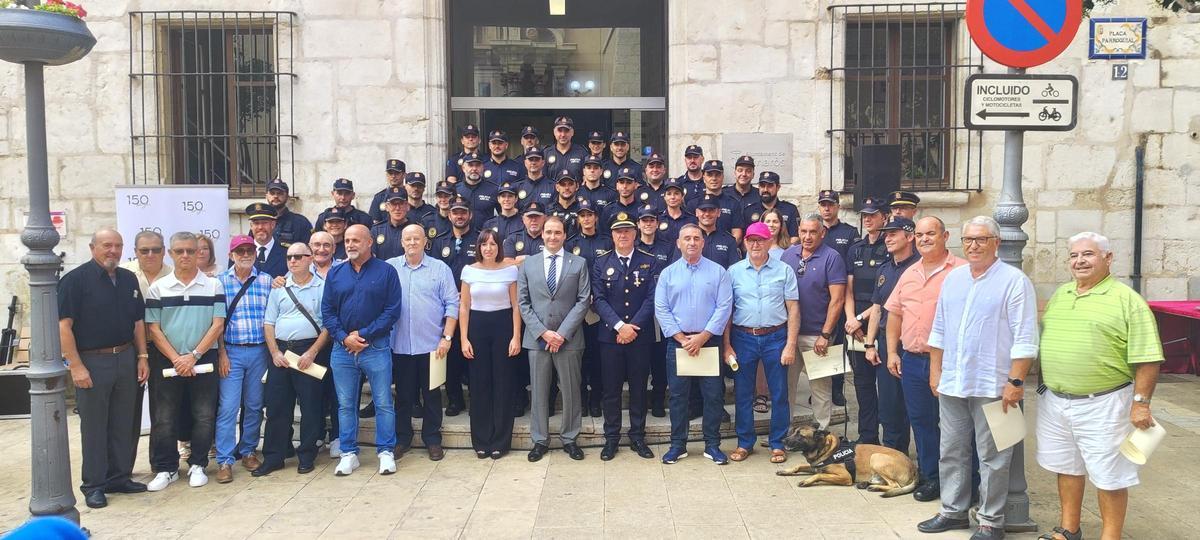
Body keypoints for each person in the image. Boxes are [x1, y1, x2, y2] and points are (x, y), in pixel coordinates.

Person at [1036, 232, 1164, 540]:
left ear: (1107, 258)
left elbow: (1148, 358)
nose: (1079, 261)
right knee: (1066, 466)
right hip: (1055, 400)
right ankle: (1068, 529)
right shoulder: (1063, 294)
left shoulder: (1127, 300)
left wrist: (1141, 403)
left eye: (1088, 254)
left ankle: (1111, 536)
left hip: (1105, 403)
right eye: (1074, 255)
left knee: (1110, 475)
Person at [917, 216, 1038, 540]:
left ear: (996, 243)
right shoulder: (954, 279)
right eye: (969, 239)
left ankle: (990, 522)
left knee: (996, 456)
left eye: (981, 239)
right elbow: (939, 329)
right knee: (952, 449)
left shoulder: (1014, 281)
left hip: (996, 384)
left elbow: (1026, 337)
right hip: (954, 381)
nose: (973, 245)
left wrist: (1015, 383)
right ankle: (953, 511)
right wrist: (935, 370)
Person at [59, 229, 150, 509]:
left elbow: (137, 322)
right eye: (107, 245)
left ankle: (119, 477)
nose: (113, 250)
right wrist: (76, 367)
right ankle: (94, 485)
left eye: (118, 246)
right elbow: (64, 326)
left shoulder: (127, 278)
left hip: (126, 357)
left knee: (125, 422)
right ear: (92, 248)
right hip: (92, 362)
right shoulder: (74, 281)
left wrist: (143, 356)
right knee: (95, 426)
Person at [882, 216, 964, 502]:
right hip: (913, 360)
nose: (924, 239)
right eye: (919, 234)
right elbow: (894, 314)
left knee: (956, 424)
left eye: (931, 233)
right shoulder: (909, 273)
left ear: (946, 236)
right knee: (922, 422)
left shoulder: (963, 272)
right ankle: (932, 478)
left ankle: (966, 481)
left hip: (951, 362)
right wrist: (892, 352)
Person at [144, 232, 226, 491]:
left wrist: (193, 356)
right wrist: (177, 359)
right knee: (165, 417)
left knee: (203, 415)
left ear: (198, 253)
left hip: (202, 359)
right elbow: (154, 329)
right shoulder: (158, 287)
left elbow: (218, 324)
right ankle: (167, 468)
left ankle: (198, 464)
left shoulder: (213, 286)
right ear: (171, 254)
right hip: (168, 360)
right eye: (179, 251)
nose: (186, 256)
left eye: (191, 251)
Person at [320, 224, 403, 477]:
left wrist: (363, 334)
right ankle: (348, 453)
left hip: (375, 347)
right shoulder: (336, 274)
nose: (350, 244)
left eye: (356, 240)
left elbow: (392, 311)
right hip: (342, 350)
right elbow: (328, 311)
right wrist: (345, 338)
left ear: (369, 242)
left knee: (383, 402)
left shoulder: (386, 272)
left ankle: (385, 452)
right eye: (347, 240)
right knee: (345, 404)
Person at [654, 224, 733, 465]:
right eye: (686, 238)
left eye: (696, 238)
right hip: (678, 344)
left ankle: (712, 444)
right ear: (678, 243)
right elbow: (661, 308)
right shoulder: (668, 274)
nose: (691, 242)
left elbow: (724, 307)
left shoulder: (718, 272)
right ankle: (678, 445)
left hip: (708, 342)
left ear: (703, 243)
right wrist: (680, 337)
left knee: (712, 396)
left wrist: (703, 336)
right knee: (678, 396)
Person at [517, 216, 592, 462]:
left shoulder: (578, 263)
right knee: (538, 392)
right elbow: (523, 302)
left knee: (571, 390)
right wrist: (543, 332)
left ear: (564, 235)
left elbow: (583, 301)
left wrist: (561, 334)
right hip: (537, 339)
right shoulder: (528, 264)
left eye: (557, 232)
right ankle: (540, 440)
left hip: (568, 339)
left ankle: (570, 438)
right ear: (542, 234)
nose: (552, 236)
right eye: (548, 232)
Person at [724, 222, 798, 464]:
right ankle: (745, 442)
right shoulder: (733, 272)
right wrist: (727, 346)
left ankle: (778, 443)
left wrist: (790, 344)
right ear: (744, 242)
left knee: (779, 393)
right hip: (743, 337)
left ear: (769, 242)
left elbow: (793, 309)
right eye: (751, 240)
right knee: (743, 393)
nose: (755, 244)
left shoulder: (784, 270)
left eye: (760, 240)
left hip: (776, 337)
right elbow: (727, 311)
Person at [388, 224, 460, 462]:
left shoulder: (440, 269)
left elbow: (452, 304)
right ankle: (402, 439)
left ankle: (432, 439)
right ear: (401, 242)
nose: (412, 243)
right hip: (399, 345)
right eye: (407, 239)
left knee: (432, 396)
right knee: (404, 396)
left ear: (425, 242)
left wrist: (447, 337)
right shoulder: (390, 268)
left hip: (432, 346)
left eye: (416, 238)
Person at [591, 217, 658, 461]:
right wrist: (620, 327)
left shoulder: (648, 262)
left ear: (635, 233)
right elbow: (598, 299)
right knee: (611, 390)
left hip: (640, 337)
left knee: (639, 388)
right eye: (618, 232)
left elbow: (652, 299)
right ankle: (611, 439)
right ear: (612, 235)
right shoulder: (601, 262)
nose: (623, 236)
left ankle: (638, 436)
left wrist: (633, 327)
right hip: (611, 338)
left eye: (628, 231)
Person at [259, 242, 329, 476]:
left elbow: (327, 324)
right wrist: (274, 352)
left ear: (310, 258)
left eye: (299, 256)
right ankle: (274, 457)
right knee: (277, 407)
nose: (293, 261)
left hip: (309, 351)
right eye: (290, 257)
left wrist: (313, 352)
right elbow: (269, 322)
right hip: (281, 353)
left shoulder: (322, 287)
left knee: (310, 407)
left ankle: (307, 455)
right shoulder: (279, 286)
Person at [213, 234, 273, 484]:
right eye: (240, 251)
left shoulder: (267, 281)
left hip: (259, 351)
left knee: (255, 404)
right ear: (231, 255)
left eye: (249, 250)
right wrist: (222, 353)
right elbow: (216, 323)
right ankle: (225, 460)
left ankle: (248, 450)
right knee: (228, 408)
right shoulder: (219, 283)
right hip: (232, 352)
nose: (246, 254)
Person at [779, 214, 846, 430]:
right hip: (788, 334)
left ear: (822, 233)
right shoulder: (788, 255)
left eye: (813, 232)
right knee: (786, 386)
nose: (807, 237)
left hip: (817, 334)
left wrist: (826, 334)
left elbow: (837, 300)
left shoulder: (832, 257)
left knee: (820, 386)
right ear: (798, 231)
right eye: (804, 231)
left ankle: (822, 431)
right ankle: (785, 430)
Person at [460, 229, 522, 459]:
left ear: (499, 247)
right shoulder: (468, 271)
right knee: (479, 385)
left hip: (503, 327)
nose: (488, 248)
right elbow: (464, 307)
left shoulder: (510, 271)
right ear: (478, 247)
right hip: (476, 328)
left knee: (503, 384)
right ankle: (481, 439)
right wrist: (464, 338)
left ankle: (500, 441)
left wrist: (516, 336)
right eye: (484, 244)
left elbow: (516, 305)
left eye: (493, 244)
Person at [863, 216, 919, 455]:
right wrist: (869, 344)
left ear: (910, 236)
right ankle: (894, 456)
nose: (887, 238)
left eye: (893, 233)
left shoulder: (919, 267)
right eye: (886, 233)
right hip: (887, 342)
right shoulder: (884, 269)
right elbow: (877, 308)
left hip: (913, 344)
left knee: (916, 406)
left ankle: (928, 466)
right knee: (889, 405)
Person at [120, 230, 174, 459]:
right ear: (135, 252)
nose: (150, 254)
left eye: (156, 249)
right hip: (131, 350)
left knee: (163, 411)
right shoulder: (123, 274)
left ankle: (160, 463)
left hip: (164, 348)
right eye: (144, 250)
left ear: (164, 251)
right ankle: (124, 469)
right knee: (128, 410)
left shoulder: (174, 275)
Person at [842, 196, 889, 444]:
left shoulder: (889, 249)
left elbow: (885, 294)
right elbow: (848, 290)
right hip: (856, 326)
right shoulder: (856, 249)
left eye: (873, 214)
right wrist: (850, 319)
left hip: (878, 321)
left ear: (885, 217)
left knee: (886, 387)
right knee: (863, 385)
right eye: (864, 215)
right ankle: (867, 437)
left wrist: (860, 319)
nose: (868, 219)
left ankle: (891, 438)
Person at [567, 198, 613, 419]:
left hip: (600, 307)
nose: (586, 219)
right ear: (578, 219)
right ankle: (581, 400)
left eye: (590, 215)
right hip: (577, 308)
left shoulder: (606, 242)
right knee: (579, 356)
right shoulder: (571, 243)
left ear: (596, 217)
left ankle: (596, 400)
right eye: (582, 215)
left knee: (597, 357)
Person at [685, 160, 744, 241]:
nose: (714, 178)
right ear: (704, 177)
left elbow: (737, 234)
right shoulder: (693, 203)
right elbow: (687, 231)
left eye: (717, 175)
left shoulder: (733, 203)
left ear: (722, 176)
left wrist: (727, 248)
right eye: (709, 175)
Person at [742, 171, 799, 245]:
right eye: (762, 186)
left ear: (778, 187)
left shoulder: (790, 209)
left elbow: (795, 237)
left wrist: (780, 251)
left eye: (770, 186)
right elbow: (745, 239)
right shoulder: (749, 211)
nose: (765, 189)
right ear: (759, 187)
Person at [690, 196, 740, 269]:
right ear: (697, 213)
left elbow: (735, 269)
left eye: (711, 210)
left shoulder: (729, 240)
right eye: (703, 210)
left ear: (719, 212)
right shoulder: (687, 238)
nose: (707, 214)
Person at [456, 151, 500, 231]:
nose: (474, 169)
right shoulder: (455, 190)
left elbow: (503, 216)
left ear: (483, 167)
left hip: (485, 239)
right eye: (470, 165)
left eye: (478, 165)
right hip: (463, 238)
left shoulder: (494, 190)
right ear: (463, 168)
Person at [265, 179, 313, 248]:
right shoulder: (259, 222)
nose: (275, 196)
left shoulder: (301, 222)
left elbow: (308, 249)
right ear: (266, 196)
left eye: (280, 193)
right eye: (272, 193)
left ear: (287, 197)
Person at [370, 187, 411, 262]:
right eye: (393, 204)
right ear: (386, 207)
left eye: (401, 203)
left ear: (407, 206)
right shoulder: (376, 231)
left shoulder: (415, 230)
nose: (397, 208)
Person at [247, 203, 286, 278]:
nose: (260, 227)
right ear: (251, 226)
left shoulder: (286, 253)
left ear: (273, 225)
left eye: (264, 223)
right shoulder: (240, 252)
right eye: (256, 223)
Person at [818, 190, 860, 259]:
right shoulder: (814, 232)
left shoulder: (850, 232)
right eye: (823, 205)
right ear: (819, 208)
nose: (826, 209)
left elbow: (855, 260)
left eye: (830, 205)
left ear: (838, 207)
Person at [544, 116, 587, 180]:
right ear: (554, 132)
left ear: (572, 132)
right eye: (560, 130)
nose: (563, 134)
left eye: (566, 131)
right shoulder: (546, 153)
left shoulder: (582, 152)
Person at [600, 167, 643, 232]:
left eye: (629, 182)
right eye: (622, 182)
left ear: (636, 185)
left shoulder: (642, 209)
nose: (625, 186)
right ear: (617, 185)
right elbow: (604, 236)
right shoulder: (608, 210)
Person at [657, 177, 696, 245]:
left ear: (682, 196)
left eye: (676, 193)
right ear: (664, 197)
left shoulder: (691, 220)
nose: (672, 197)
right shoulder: (658, 219)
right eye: (669, 194)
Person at [368, 159, 407, 225]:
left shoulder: (408, 195)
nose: (393, 176)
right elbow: (374, 222)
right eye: (390, 173)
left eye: (397, 173)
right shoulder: (379, 197)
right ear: (386, 175)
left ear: (404, 175)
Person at [516, 146, 555, 210]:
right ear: (525, 163)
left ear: (543, 163)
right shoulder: (517, 187)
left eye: (537, 159)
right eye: (530, 159)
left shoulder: (553, 187)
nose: (533, 163)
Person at [548, 170, 582, 239]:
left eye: (570, 184)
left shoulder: (582, 210)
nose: (566, 188)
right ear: (557, 187)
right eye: (563, 184)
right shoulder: (549, 210)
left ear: (577, 186)